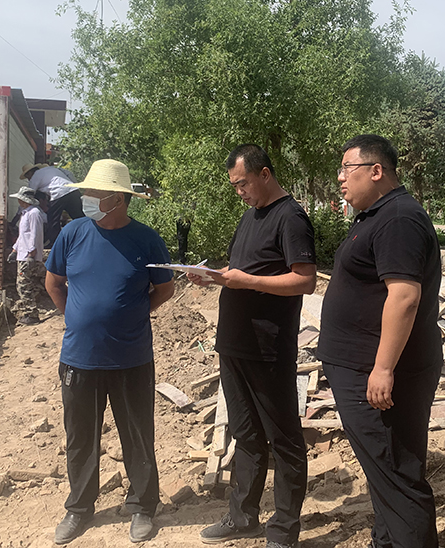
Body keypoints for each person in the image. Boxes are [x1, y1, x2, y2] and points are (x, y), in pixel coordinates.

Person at [316, 134, 443, 548]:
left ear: (376, 171)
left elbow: (404, 296)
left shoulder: (398, 219)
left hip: (380, 373)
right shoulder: (377, 215)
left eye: (346, 169)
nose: (340, 178)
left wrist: (383, 367)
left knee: (397, 474)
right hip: (359, 366)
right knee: (384, 471)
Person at [188, 144, 316, 548]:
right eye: (234, 186)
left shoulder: (291, 217)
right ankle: (243, 517)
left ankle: (284, 530)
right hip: (234, 343)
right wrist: (214, 276)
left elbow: (305, 280)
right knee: (245, 434)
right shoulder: (249, 217)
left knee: (284, 439)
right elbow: (242, 270)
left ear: (264, 174)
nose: (239, 192)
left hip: (267, 347)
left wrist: (247, 281)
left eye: (243, 183)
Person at [45, 159, 175, 544]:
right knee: (80, 437)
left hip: (131, 358)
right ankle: (79, 508)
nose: (86, 198)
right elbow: (54, 283)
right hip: (79, 358)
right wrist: (78, 318)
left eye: (93, 193)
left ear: (117, 199)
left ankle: (143, 506)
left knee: (137, 434)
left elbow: (164, 288)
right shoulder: (73, 233)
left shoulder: (146, 239)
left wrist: (131, 315)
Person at [9, 186, 47, 325]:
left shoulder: (34, 213)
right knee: (25, 284)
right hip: (22, 253)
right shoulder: (25, 213)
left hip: (28, 255)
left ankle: (31, 314)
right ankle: (29, 312)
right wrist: (14, 250)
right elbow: (23, 235)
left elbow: (34, 234)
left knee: (23, 285)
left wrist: (32, 253)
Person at [20, 163, 84, 246]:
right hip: (73, 190)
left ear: (30, 173)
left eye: (27, 176)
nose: (28, 179)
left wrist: (20, 212)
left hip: (59, 193)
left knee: (52, 219)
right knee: (79, 217)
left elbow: (28, 195)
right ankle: (87, 236)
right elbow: (69, 174)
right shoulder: (53, 169)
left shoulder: (35, 176)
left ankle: (56, 243)